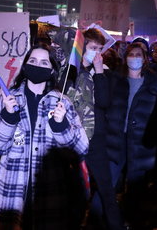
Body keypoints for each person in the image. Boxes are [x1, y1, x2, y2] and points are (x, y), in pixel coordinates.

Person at [0, 44, 88, 229]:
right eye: (33, 61)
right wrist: (8, 118)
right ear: (25, 66)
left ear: (52, 69)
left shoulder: (61, 102)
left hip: (50, 193)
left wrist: (60, 125)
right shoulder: (8, 98)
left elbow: (80, 149)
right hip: (10, 193)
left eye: (44, 62)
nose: (38, 65)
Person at [65, 28, 123, 230]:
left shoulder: (103, 72)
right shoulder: (71, 69)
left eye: (100, 48)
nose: (97, 52)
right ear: (82, 47)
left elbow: (105, 101)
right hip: (72, 136)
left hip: (95, 137)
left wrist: (99, 71)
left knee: (106, 189)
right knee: (73, 189)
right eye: (92, 48)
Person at [106, 43, 157, 227]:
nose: (134, 57)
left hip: (140, 142)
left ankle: (132, 220)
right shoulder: (116, 80)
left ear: (145, 58)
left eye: (138, 55)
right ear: (125, 58)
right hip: (116, 139)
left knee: (135, 186)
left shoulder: (153, 81)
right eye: (131, 54)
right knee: (109, 182)